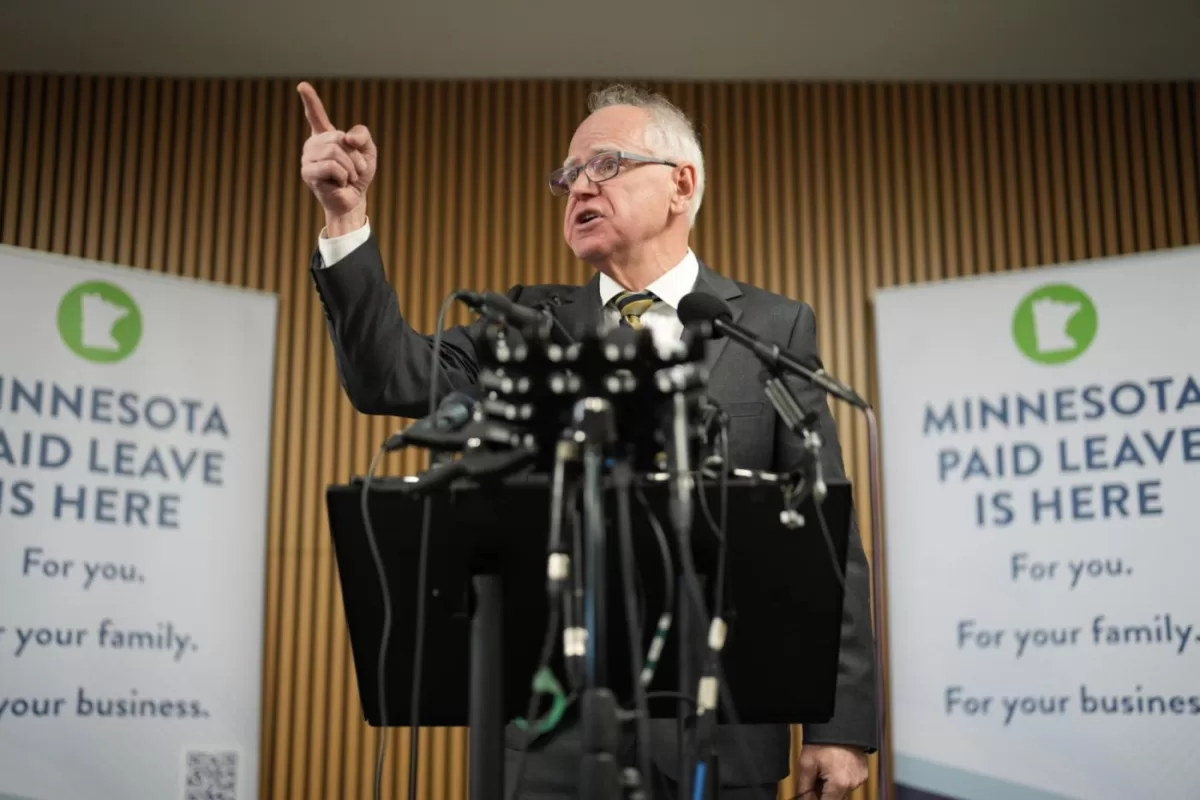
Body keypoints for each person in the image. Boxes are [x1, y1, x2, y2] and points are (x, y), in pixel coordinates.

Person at [298, 79, 876, 799]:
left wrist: (838, 724)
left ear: (681, 184)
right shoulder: (526, 326)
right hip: (549, 739)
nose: (577, 187)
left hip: (719, 732)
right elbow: (389, 377)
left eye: (605, 165)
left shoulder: (769, 328)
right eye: (568, 175)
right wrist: (345, 217)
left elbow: (826, 533)